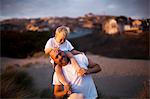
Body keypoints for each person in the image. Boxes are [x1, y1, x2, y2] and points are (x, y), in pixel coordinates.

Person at [44, 26, 86, 92]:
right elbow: (46, 51)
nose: (63, 41)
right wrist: (52, 48)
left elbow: (72, 50)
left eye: (64, 39)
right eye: (61, 39)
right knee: (57, 69)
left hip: (66, 57)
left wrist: (80, 53)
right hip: (57, 59)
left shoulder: (66, 42)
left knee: (70, 55)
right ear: (56, 35)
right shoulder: (51, 41)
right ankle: (66, 84)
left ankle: (78, 69)